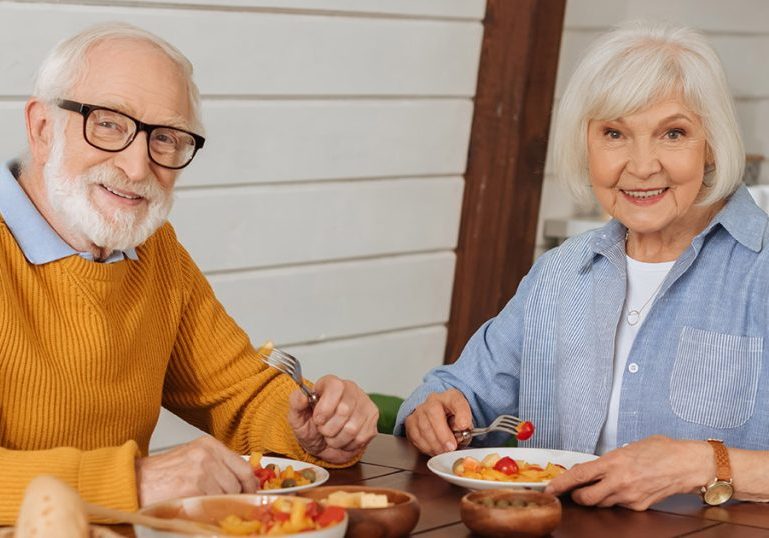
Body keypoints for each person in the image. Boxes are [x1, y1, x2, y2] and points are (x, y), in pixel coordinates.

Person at [0, 22, 378, 523]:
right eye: (109, 124)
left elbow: (238, 392)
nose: (137, 167)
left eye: (167, 138)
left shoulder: (151, 250)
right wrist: (134, 481)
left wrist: (307, 426)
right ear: (43, 127)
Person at [395, 20, 769, 510]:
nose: (641, 165)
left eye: (672, 133)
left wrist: (706, 464)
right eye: (614, 133)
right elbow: (454, 392)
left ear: (714, 143)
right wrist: (435, 410)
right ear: (586, 144)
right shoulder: (560, 274)